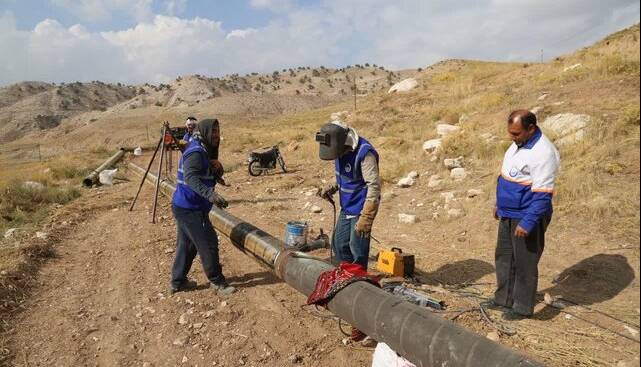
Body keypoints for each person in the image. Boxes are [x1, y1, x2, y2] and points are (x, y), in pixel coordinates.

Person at [491, 110, 560, 319]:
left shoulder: (543, 153)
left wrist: (528, 222)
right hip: (508, 213)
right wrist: (499, 204)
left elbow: (542, 196)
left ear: (531, 128)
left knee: (525, 263)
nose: (512, 137)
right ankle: (504, 299)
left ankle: (522, 307)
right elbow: (507, 177)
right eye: (510, 133)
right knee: (504, 257)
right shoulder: (519, 143)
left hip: (527, 215)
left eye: (516, 134)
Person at [170, 118, 236, 296]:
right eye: (213, 131)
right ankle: (217, 281)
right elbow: (191, 178)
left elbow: (204, 172)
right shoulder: (196, 152)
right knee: (208, 243)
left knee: (187, 245)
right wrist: (210, 195)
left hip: (185, 206)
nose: (216, 135)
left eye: (218, 131)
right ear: (205, 132)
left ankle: (178, 281)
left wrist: (218, 172)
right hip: (190, 208)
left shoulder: (203, 149)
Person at [316, 121, 381, 270]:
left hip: (361, 209)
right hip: (347, 207)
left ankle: (359, 282)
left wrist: (367, 217)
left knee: (357, 248)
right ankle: (345, 276)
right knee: (339, 243)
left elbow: (374, 187)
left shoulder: (365, 153)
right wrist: (332, 187)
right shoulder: (339, 150)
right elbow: (345, 176)